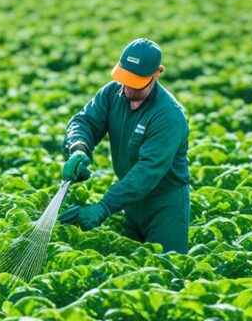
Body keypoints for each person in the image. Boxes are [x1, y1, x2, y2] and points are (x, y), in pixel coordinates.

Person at [58, 38, 191, 254]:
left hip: (164, 206)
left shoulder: (168, 116)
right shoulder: (112, 93)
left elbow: (147, 172)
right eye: (125, 77)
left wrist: (104, 207)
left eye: (136, 81)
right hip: (130, 200)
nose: (128, 87)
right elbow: (84, 121)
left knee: (166, 272)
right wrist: (79, 148)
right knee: (132, 272)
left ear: (156, 73)